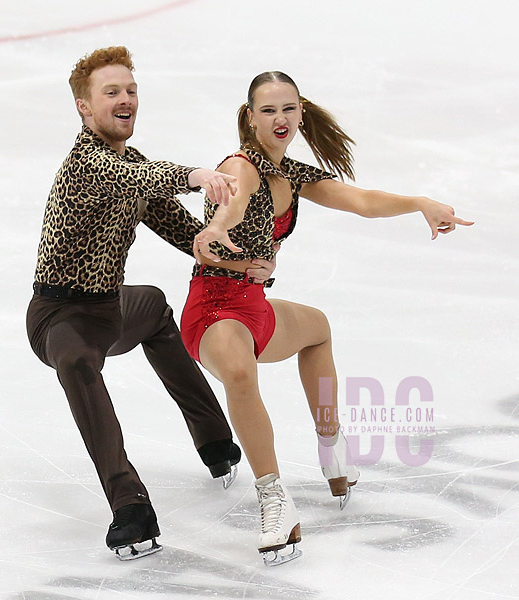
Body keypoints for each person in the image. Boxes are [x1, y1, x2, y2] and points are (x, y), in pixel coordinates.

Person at [180, 71, 474, 565]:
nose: (280, 119)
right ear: (250, 117)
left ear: (300, 112)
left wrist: (419, 202)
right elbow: (223, 214)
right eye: (268, 110)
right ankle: (274, 498)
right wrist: (217, 237)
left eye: (288, 109)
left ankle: (330, 441)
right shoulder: (240, 166)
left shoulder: (292, 175)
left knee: (316, 329)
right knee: (237, 370)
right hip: (213, 310)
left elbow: (359, 201)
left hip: (255, 306)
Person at [25, 47, 277, 561]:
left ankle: (214, 440)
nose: (125, 100)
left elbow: (192, 236)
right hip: (59, 316)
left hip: (110, 310)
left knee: (155, 306)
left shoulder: (131, 163)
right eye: (111, 92)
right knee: (77, 362)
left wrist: (248, 262)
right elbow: (140, 180)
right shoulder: (88, 166)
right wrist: (197, 176)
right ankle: (129, 506)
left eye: (130, 90)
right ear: (84, 106)